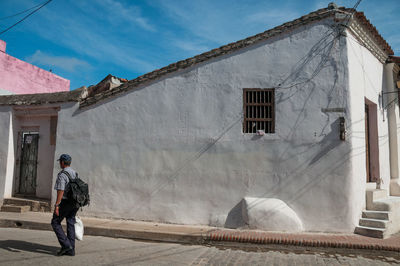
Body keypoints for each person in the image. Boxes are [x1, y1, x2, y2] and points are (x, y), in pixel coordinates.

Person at [51, 154, 79, 256]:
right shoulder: (75, 173)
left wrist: (57, 205)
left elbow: (61, 190)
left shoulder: (63, 174)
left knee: (55, 222)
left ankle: (67, 245)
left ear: (62, 162)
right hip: (75, 202)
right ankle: (71, 250)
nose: (59, 163)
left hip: (66, 202)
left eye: (60, 162)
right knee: (70, 222)